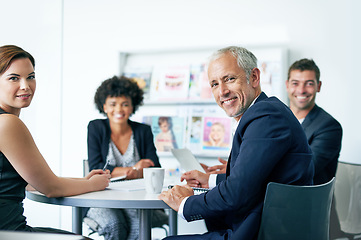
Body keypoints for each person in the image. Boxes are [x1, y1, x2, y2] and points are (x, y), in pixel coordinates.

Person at [158, 46, 314, 240]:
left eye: (229, 79)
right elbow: (257, 180)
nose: (222, 91)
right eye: (214, 84)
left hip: (261, 233)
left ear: (254, 77)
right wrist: (211, 180)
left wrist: (185, 203)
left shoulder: (267, 117)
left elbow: (237, 192)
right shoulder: (264, 112)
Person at [0, 45, 110, 234]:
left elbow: (31, 182)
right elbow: (51, 188)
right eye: (14, 78)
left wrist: (82, 181)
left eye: (31, 77)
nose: (26, 85)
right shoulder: (7, 123)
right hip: (10, 233)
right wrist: (93, 184)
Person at [85, 76, 168, 240]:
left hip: (136, 198)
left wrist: (116, 171)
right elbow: (96, 169)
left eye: (125, 104)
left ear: (132, 107)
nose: (119, 109)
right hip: (102, 198)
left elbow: (154, 168)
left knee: (138, 227)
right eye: (113, 104)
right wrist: (135, 170)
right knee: (114, 225)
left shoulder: (143, 131)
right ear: (104, 107)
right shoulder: (95, 127)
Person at [285, 58, 343, 238]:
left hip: (310, 215)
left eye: (309, 84)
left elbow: (307, 168)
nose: (301, 90)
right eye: (296, 83)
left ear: (318, 86)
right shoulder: (278, 120)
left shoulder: (328, 126)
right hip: (278, 205)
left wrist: (255, 169)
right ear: (288, 85)